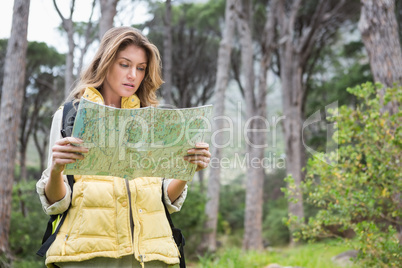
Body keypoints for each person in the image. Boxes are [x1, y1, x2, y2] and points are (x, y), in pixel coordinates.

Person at [36, 26, 211, 268]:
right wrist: (56, 170)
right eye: (124, 64)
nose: (133, 75)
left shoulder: (153, 121)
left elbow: (163, 199)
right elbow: (57, 202)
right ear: (106, 63)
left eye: (141, 68)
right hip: (89, 257)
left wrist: (187, 170)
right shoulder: (70, 116)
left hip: (153, 257)